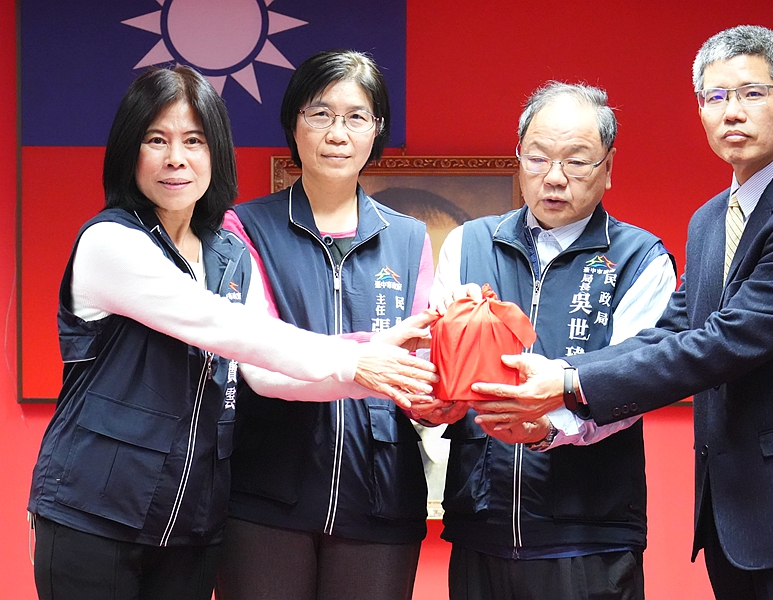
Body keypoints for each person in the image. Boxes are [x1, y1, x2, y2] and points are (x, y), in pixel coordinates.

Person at [470, 26, 773, 600]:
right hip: (735, 521)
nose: (732, 112)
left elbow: (724, 342)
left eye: (752, 93)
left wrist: (568, 380)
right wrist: (566, 383)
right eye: (716, 97)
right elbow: (671, 331)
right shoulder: (712, 220)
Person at [26, 65, 437, 600]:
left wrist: (373, 361)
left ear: (216, 151)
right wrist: (356, 358)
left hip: (188, 523)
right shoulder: (110, 242)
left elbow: (264, 371)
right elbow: (224, 327)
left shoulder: (228, 253)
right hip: (95, 511)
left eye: (194, 141)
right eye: (156, 140)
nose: (177, 158)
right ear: (129, 151)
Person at [427, 82, 676, 600]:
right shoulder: (467, 244)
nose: (555, 177)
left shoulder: (641, 260)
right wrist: (431, 400)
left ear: (608, 166)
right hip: (481, 524)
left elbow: (637, 382)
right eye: (538, 158)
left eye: (577, 162)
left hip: (589, 532)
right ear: (519, 157)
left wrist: (548, 428)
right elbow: (436, 367)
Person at [215, 50, 436, 600]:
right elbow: (256, 356)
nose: (338, 133)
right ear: (294, 123)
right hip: (266, 493)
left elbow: (422, 365)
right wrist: (369, 356)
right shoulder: (245, 227)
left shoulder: (410, 238)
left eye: (356, 117)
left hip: (381, 495)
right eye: (320, 114)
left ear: (377, 130)